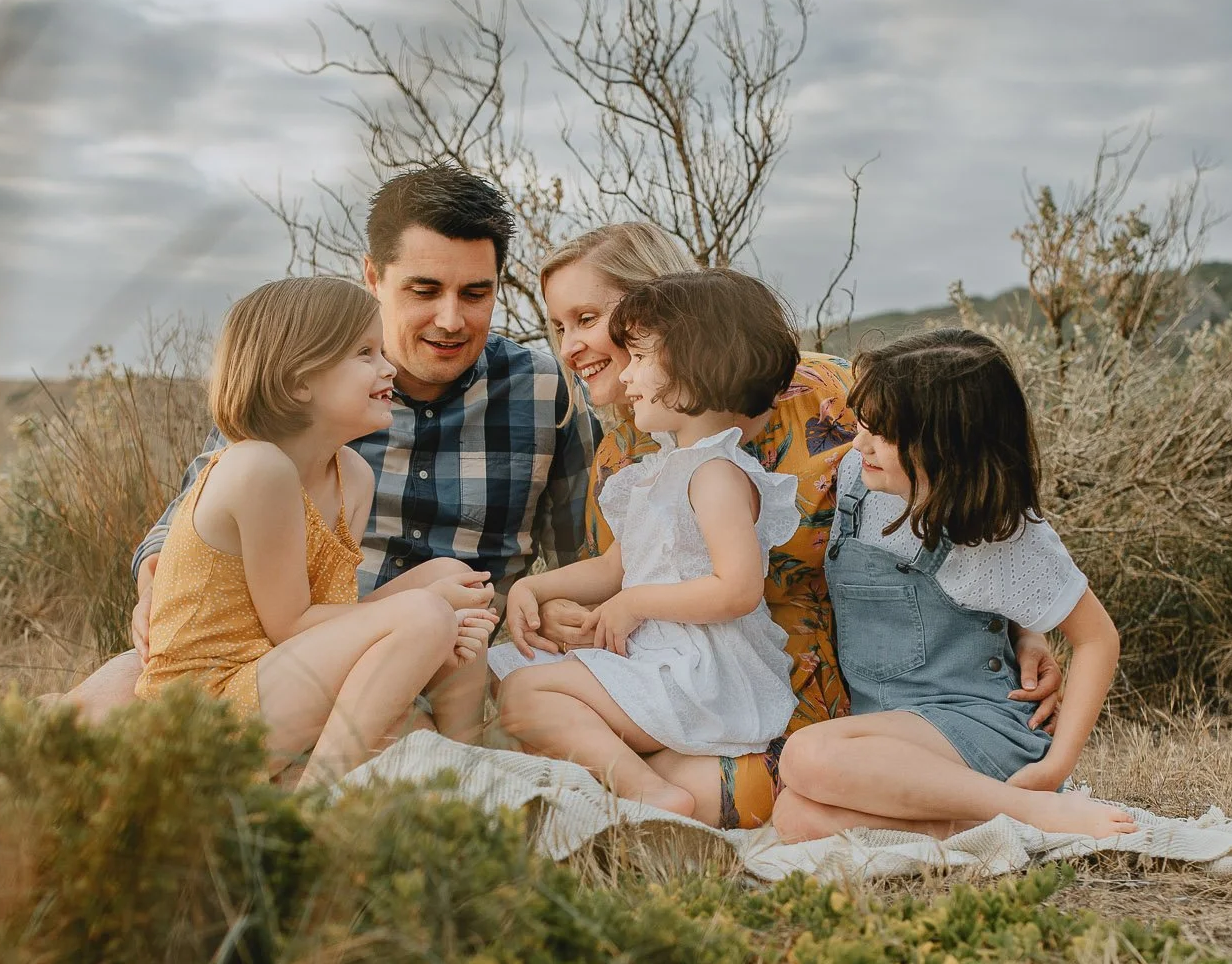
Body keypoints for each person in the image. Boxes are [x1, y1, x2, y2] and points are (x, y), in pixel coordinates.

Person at [524, 222, 1063, 827]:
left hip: (858, 706)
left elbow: (957, 476)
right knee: (561, 744)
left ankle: (955, 798)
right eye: (559, 326)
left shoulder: (824, 394)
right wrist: (555, 608)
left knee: (653, 783)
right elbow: (628, 585)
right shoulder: (623, 456)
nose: (570, 346)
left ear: (668, 311)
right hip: (708, 695)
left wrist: (1024, 626)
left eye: (588, 318)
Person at [60, 165, 594, 719]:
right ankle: (16, 760)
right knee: (130, 681)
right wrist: (156, 586)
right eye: (424, 290)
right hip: (284, 655)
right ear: (373, 276)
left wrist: (556, 604)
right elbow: (193, 515)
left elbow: (580, 556)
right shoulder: (299, 384)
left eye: (475, 293)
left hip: (446, 668)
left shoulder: (546, 391)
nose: (451, 319)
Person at [771, 329, 1137, 842]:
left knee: (807, 755)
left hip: (978, 728)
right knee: (796, 818)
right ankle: (987, 823)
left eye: (882, 434)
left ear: (946, 443)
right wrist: (1025, 633)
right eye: (864, 425)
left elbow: (1098, 637)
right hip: (899, 743)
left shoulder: (999, 531)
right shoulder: (860, 476)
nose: (859, 443)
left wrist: (1055, 767)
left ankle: (1035, 809)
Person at [136, 275, 497, 783]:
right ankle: (316, 804)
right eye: (365, 354)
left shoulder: (351, 474)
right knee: (426, 611)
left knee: (457, 581)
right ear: (298, 381)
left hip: (276, 676)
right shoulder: (257, 468)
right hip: (204, 712)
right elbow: (288, 626)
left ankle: (471, 770)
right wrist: (423, 613)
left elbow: (333, 618)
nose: (387, 367)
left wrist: (440, 602)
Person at [493, 269, 803, 815]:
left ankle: (654, 797)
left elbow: (738, 589)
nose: (627, 375)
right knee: (505, 675)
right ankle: (658, 785)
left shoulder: (716, 473)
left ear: (692, 369)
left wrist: (636, 603)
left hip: (700, 668)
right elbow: (617, 567)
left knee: (524, 696)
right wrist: (534, 586)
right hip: (662, 655)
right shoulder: (662, 469)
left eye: (639, 359)